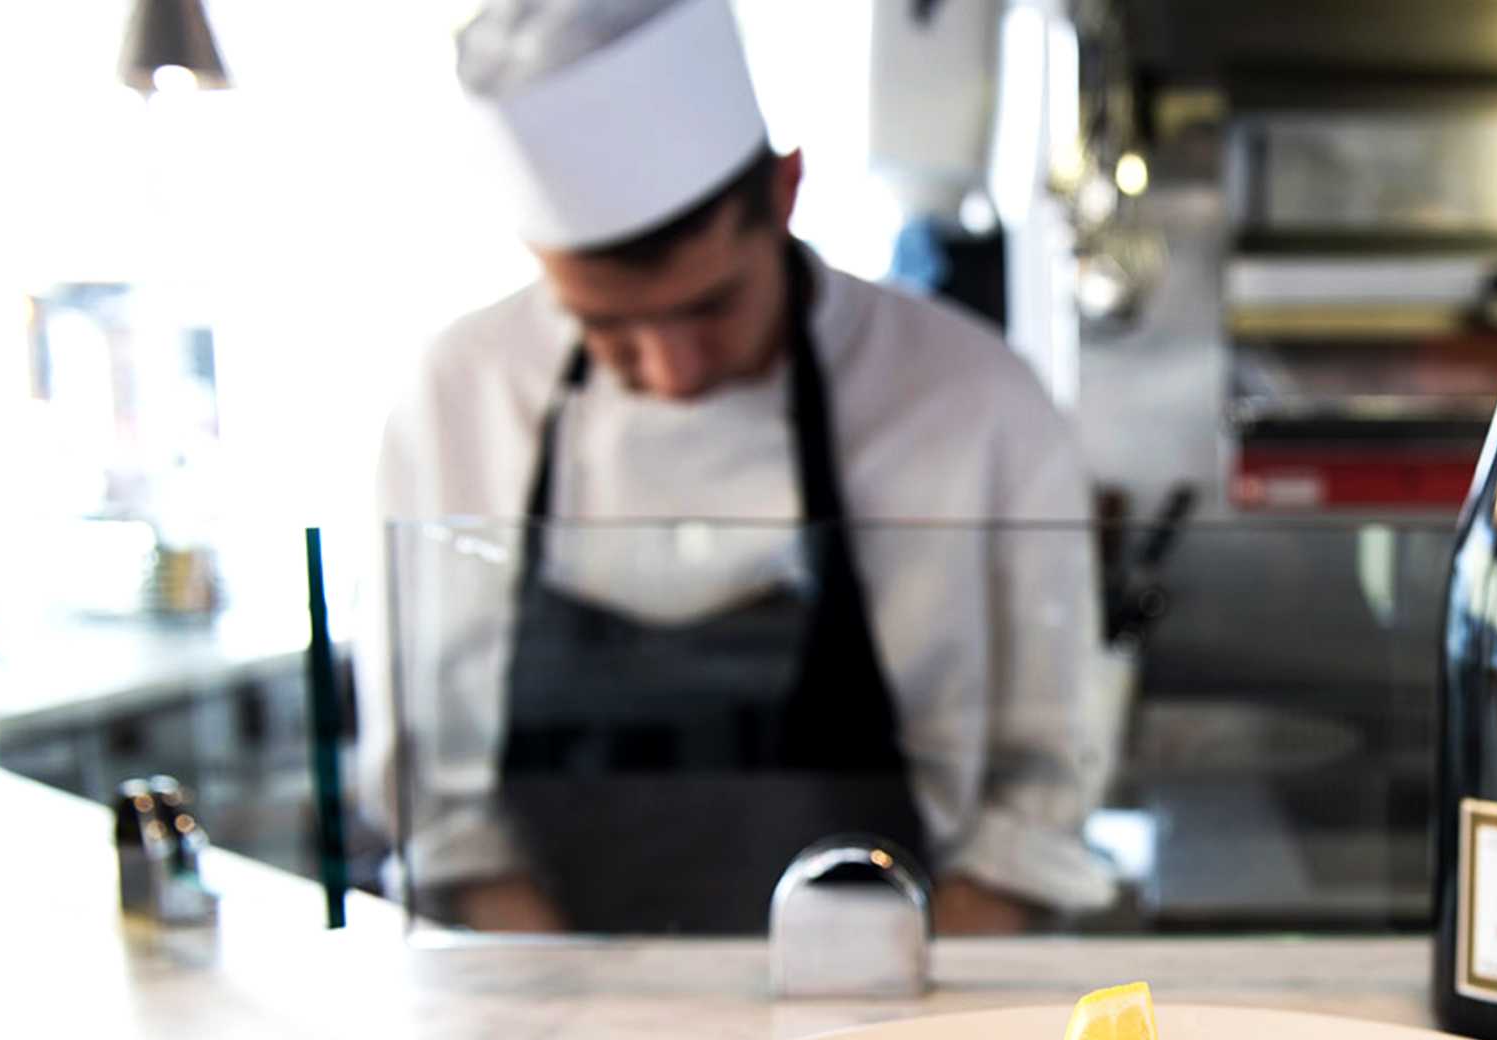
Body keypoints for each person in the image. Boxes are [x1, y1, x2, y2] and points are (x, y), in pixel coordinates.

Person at [357, 0, 1114, 935]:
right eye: (607, 326)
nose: (672, 372)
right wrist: (574, 1004)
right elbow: (434, 801)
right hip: (552, 999)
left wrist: (888, 1033)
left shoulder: (979, 402)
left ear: (787, 191)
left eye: (709, 306)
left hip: (893, 1007)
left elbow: (1041, 791)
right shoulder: (453, 399)